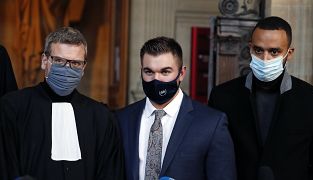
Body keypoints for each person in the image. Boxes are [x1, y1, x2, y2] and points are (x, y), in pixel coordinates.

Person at [0, 27, 125, 180]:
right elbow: (6, 167)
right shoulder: (12, 108)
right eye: (59, 60)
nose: (67, 69)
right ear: (45, 61)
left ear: (84, 67)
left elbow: (111, 173)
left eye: (76, 63)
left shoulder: (101, 117)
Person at [208, 16, 313, 180]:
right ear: (250, 48)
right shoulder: (223, 96)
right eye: (259, 50)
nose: (265, 59)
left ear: (289, 53)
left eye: (274, 51)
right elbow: (213, 156)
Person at [115, 36, 236, 180]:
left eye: (165, 72)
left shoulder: (211, 124)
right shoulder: (122, 119)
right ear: (141, 72)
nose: (156, 79)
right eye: (149, 72)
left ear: (181, 73)